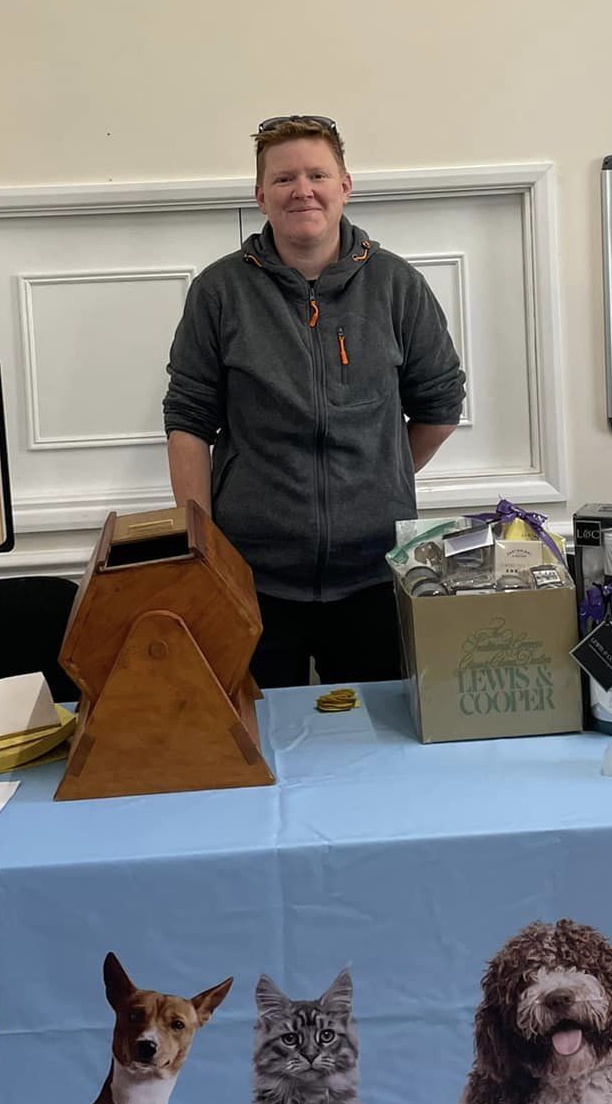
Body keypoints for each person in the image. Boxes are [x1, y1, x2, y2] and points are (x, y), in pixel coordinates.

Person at [163, 115, 464, 686]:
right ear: (260, 196)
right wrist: (202, 552)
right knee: (259, 732)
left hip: (375, 575)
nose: (302, 190)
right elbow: (188, 421)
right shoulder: (218, 292)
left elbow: (440, 405)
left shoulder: (397, 286)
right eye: (283, 179)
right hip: (252, 577)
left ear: (344, 186)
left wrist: (379, 473)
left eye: (317, 175)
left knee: (373, 732)